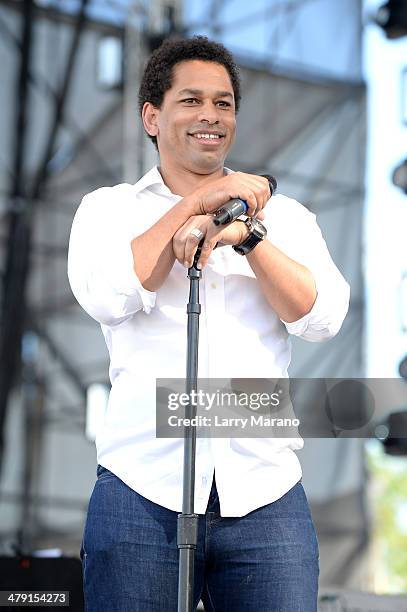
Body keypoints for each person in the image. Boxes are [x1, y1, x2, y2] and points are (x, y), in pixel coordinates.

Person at [68, 36, 350, 612]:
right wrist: (195, 205)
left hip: (265, 489)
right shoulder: (109, 209)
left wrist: (250, 237)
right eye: (191, 100)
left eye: (223, 104)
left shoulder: (286, 217)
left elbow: (322, 318)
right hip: (140, 485)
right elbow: (107, 295)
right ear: (151, 116)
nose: (210, 116)